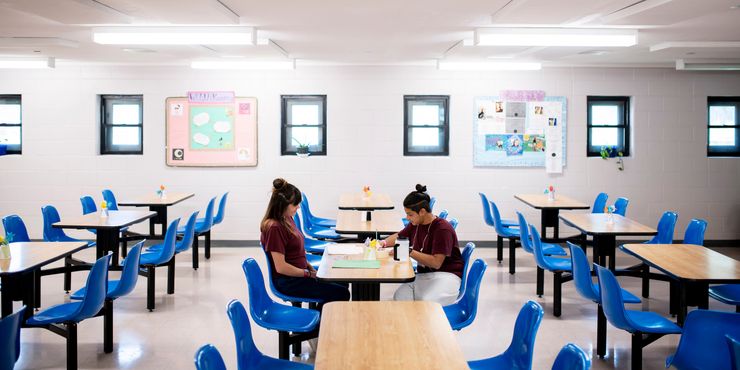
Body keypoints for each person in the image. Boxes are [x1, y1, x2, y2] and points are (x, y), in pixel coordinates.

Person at [260, 178, 350, 307]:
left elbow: (296, 253)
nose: (298, 207)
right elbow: (281, 267)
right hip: (289, 281)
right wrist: (307, 274)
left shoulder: (287, 218)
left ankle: (319, 318)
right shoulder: (275, 227)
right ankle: (317, 325)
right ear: (282, 205)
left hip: (299, 273)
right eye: (295, 204)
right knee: (341, 293)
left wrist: (309, 267)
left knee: (342, 283)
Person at [383, 184, 464, 305]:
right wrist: (381, 243)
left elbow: (436, 263)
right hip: (427, 275)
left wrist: (408, 251)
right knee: (400, 296)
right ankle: (410, 323)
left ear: (422, 211)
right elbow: (399, 236)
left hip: (447, 276)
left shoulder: (442, 229)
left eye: (410, 214)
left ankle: (422, 323)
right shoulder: (417, 223)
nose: (407, 218)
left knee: (426, 303)